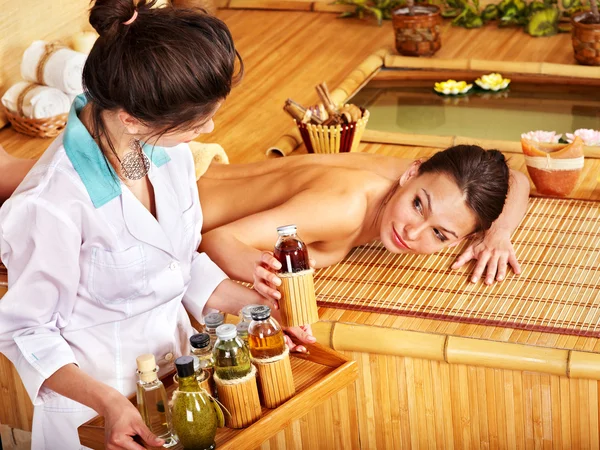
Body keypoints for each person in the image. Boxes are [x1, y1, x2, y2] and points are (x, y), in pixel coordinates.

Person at [0, 2, 312, 449]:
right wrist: (109, 403)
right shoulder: (52, 204)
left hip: (183, 385)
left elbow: (179, 268)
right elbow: (26, 332)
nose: (208, 128)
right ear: (131, 117)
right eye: (196, 122)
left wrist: (262, 313)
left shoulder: (163, 151)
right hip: (100, 414)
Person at [193, 146, 530, 301]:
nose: (412, 232)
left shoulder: (431, 179)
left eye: (439, 234)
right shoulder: (344, 208)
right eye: (417, 206)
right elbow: (216, 240)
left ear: (460, 241)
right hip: (172, 201)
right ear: (412, 173)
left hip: (207, 173)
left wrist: (498, 233)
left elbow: (514, 178)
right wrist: (263, 272)